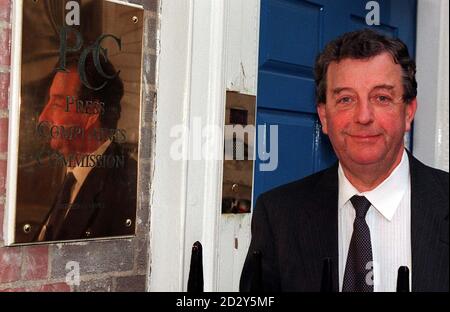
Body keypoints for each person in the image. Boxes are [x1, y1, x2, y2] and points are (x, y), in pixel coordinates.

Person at [240, 29, 448, 292]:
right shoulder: (278, 215)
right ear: (324, 117)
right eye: (346, 99)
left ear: (408, 111)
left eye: (381, 97)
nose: (363, 116)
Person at [35, 54, 137, 242]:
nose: (43, 117)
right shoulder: (68, 176)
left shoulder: (129, 188)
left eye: (57, 103)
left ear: (91, 112)